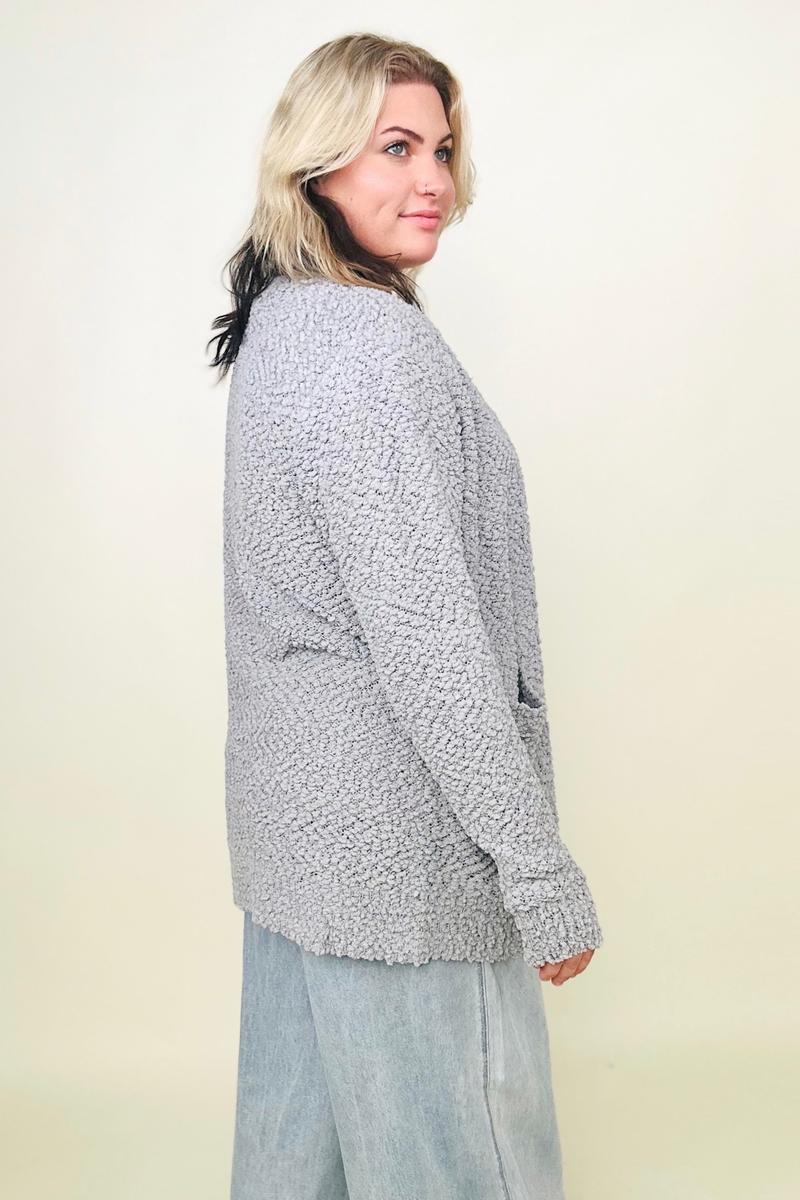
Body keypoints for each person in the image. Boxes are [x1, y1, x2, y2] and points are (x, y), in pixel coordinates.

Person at [207, 31, 604, 1200]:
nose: (430, 178)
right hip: (401, 861)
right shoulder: (368, 349)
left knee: (296, 1168)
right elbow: (428, 644)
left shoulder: (284, 321)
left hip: (299, 844)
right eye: (393, 148)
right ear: (315, 164)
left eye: (438, 148)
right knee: (464, 1170)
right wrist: (536, 874)